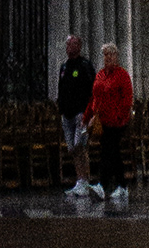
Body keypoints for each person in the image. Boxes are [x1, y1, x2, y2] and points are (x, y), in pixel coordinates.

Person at [88, 40, 134, 206]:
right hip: (103, 121)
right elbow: (95, 96)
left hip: (117, 122)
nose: (107, 57)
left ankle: (102, 185)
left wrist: (121, 117)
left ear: (116, 56)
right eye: (105, 54)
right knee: (112, 154)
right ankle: (122, 186)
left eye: (110, 54)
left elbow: (127, 99)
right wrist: (91, 115)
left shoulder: (122, 75)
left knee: (108, 152)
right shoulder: (100, 74)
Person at [56, 35, 94, 197]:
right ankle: (80, 181)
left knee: (80, 147)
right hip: (67, 114)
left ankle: (85, 180)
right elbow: (61, 88)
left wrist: (89, 113)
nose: (69, 47)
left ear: (79, 46)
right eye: (67, 44)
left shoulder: (84, 65)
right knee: (72, 149)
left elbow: (92, 90)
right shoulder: (64, 67)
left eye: (72, 44)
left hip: (81, 114)